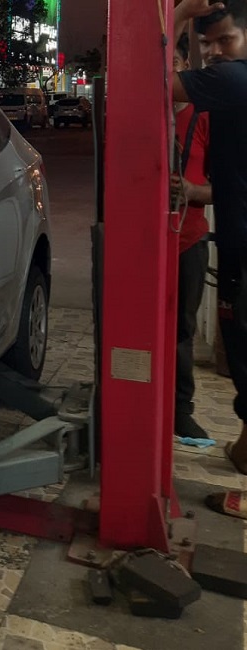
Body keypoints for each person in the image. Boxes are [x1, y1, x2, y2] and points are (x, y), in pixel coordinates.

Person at [172, 0, 247, 515]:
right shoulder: (223, 98)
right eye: (206, 45)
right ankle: (243, 452)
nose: (216, 52)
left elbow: (149, 86)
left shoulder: (231, 83)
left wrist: (177, 14)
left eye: (226, 40)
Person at [171, 32, 213, 440]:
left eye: (173, 65)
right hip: (143, 243)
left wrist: (191, 191)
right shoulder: (139, 118)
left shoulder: (204, 117)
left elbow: (227, 185)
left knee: (182, 329)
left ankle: (181, 408)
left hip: (189, 240)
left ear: (185, 68)